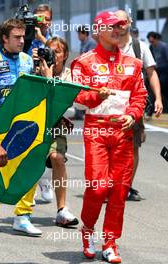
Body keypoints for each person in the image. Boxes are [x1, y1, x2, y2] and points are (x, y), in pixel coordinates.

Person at [71, 11, 147, 263]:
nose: (118, 31)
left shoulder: (134, 64)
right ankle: (88, 230)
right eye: (112, 27)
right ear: (98, 30)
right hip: (96, 131)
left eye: (121, 27)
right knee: (98, 187)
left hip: (123, 131)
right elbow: (78, 97)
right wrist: (97, 96)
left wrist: (133, 115)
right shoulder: (83, 62)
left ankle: (110, 242)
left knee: (118, 191)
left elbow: (139, 96)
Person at [0, 18, 41, 236]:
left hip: (22, 124)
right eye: (17, 37)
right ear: (4, 38)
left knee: (29, 164)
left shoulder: (27, 60)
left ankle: (22, 216)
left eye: (23, 37)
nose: (22, 41)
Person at [115, 10, 163, 201]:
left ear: (129, 23)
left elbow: (151, 73)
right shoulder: (108, 45)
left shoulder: (139, 47)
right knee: (112, 147)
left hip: (135, 105)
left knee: (133, 147)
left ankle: (126, 187)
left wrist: (158, 98)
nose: (120, 25)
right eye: (117, 23)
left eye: (123, 22)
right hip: (111, 105)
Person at [32, 36, 79, 227]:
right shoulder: (34, 71)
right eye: (49, 51)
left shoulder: (69, 76)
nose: (53, 55)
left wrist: (49, 79)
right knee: (29, 162)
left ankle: (61, 210)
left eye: (57, 51)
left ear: (65, 55)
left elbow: (67, 105)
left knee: (58, 158)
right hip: (34, 126)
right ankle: (21, 211)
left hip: (55, 126)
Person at [28, 3, 54, 203]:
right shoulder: (24, 36)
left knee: (44, 146)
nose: (41, 22)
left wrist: (42, 40)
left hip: (46, 94)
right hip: (26, 93)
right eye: (37, 18)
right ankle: (30, 186)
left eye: (44, 18)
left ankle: (44, 184)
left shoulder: (51, 38)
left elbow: (58, 56)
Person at [147, 31, 168, 113]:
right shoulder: (151, 47)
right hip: (156, 70)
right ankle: (151, 108)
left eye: (152, 41)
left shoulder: (164, 47)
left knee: (162, 85)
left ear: (157, 39)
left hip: (164, 70)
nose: (151, 43)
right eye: (150, 42)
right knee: (150, 86)